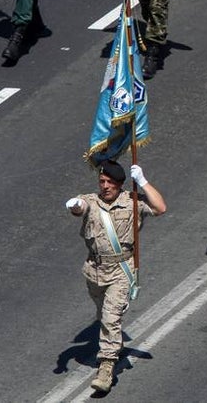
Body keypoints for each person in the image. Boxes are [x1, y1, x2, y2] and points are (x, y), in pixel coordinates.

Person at [66, 160, 167, 394]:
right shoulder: (92, 201)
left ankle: (106, 367)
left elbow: (161, 208)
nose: (105, 186)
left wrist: (142, 181)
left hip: (121, 270)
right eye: (102, 181)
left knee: (111, 319)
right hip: (94, 271)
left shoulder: (132, 202)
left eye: (110, 182)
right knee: (104, 315)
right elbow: (80, 207)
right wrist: (74, 204)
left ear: (120, 184)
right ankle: (114, 344)